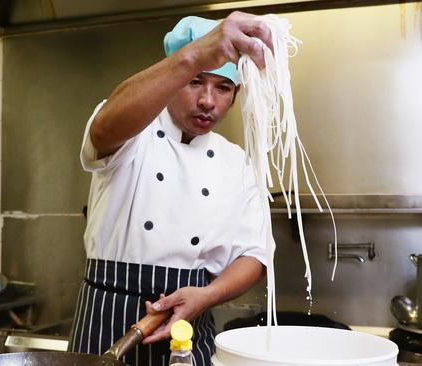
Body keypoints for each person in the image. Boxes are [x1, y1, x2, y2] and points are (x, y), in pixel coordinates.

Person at [68, 11, 275, 366]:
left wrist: (207, 296)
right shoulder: (136, 130)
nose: (208, 101)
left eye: (222, 87)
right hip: (106, 318)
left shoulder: (236, 162)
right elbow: (101, 132)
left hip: (189, 325)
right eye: (194, 81)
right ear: (171, 76)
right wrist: (193, 55)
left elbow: (254, 255)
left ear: (235, 94)